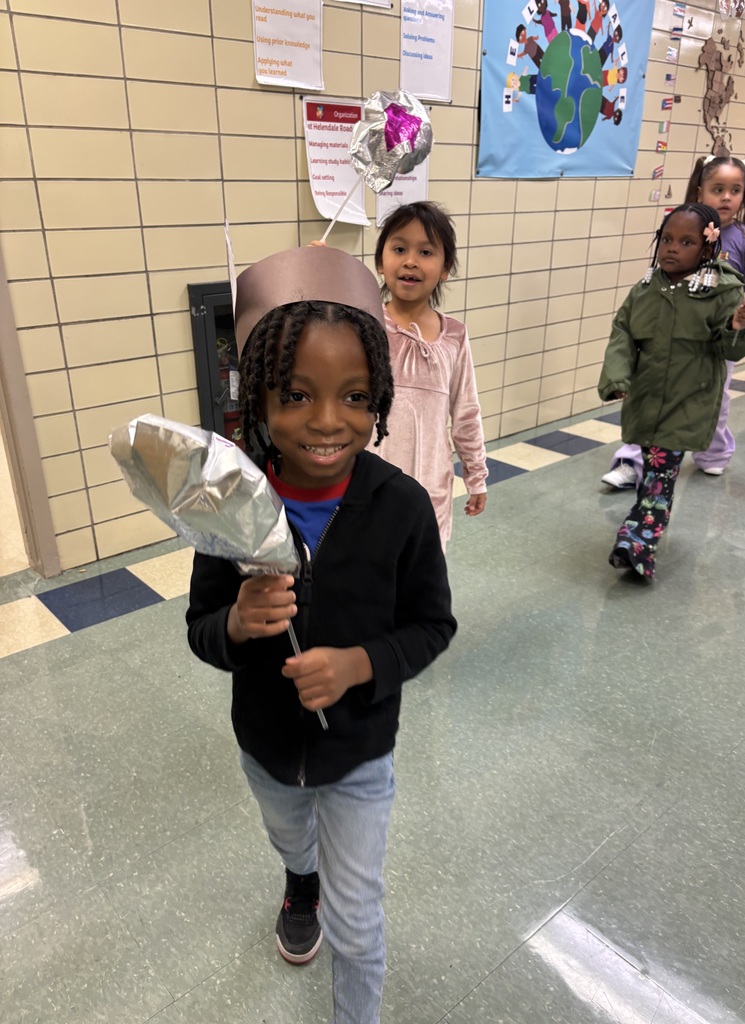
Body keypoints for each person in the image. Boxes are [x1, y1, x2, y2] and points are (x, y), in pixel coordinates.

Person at [186, 245, 457, 1024]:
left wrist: (361, 665)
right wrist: (236, 623)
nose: (328, 421)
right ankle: (297, 879)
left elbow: (433, 625)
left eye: (355, 396)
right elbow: (201, 632)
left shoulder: (399, 507)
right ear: (259, 398)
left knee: (360, 923)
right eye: (297, 395)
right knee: (288, 837)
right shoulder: (230, 508)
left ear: (378, 401)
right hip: (267, 748)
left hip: (360, 755)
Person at [598, 203, 745, 579]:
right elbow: (623, 333)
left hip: (690, 399)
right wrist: (617, 379)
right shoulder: (646, 289)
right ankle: (642, 531)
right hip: (648, 397)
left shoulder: (724, 291)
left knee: (660, 473)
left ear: (707, 247)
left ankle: (636, 544)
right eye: (667, 239)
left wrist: (737, 326)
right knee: (655, 471)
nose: (672, 248)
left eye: (686, 241)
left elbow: (730, 348)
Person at [601, 155, 745, 489]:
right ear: (699, 189)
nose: (726, 197)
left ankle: (713, 453)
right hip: (667, 341)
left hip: (713, 346)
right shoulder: (683, 225)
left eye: (735, 190)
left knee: (712, 403)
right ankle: (632, 461)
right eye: (717, 189)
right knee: (649, 401)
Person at [372, 201, 489, 547]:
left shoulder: (454, 335)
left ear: (445, 268)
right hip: (371, 484)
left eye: (426, 251)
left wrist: (476, 475)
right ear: (381, 262)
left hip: (431, 489)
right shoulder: (365, 326)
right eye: (399, 248)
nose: (410, 260)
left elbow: (466, 412)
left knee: (422, 578)